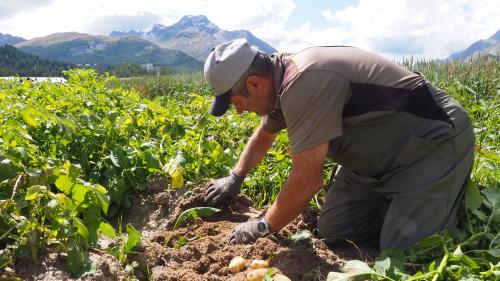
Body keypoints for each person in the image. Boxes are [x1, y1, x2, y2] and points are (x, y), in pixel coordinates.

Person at [203, 38, 474, 250]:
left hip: (429, 145)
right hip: (373, 161)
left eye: (236, 103)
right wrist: (235, 177)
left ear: (254, 83)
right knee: (336, 230)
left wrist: (261, 227)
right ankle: (402, 205)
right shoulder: (277, 79)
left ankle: (440, 201)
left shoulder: (305, 80)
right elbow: (265, 134)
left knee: (405, 251)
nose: (239, 112)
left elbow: (307, 181)